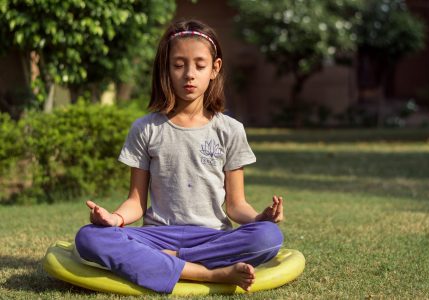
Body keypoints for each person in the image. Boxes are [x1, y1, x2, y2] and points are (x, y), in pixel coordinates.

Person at [75, 19, 284, 294]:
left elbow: (235, 206)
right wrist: (114, 220)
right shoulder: (145, 128)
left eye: (200, 65)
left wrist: (260, 218)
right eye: (178, 65)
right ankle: (212, 273)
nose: (189, 74)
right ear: (166, 69)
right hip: (156, 236)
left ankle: (165, 262)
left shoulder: (231, 130)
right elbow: (136, 203)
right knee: (89, 237)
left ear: (215, 69)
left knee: (268, 237)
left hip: (211, 237)